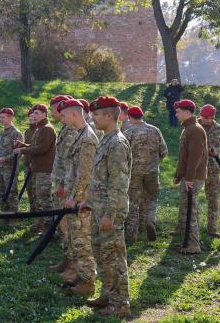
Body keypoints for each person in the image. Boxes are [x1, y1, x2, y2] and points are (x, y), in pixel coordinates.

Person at [82, 96, 131, 318]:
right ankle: (107, 294)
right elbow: (100, 178)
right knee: (101, 255)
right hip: (99, 209)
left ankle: (120, 304)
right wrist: (89, 202)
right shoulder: (105, 139)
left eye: (97, 115)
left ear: (109, 116)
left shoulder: (117, 143)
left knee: (113, 257)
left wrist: (110, 214)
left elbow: (118, 184)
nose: (93, 118)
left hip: (110, 212)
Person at [57, 99, 98, 297]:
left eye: (63, 115)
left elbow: (85, 173)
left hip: (82, 200)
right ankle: (81, 276)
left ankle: (88, 282)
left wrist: (75, 197)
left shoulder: (87, 138)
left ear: (74, 114)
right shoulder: (81, 135)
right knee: (76, 240)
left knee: (83, 242)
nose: (62, 119)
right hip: (75, 198)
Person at [124, 106, 167, 243]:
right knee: (152, 198)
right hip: (152, 172)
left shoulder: (128, 132)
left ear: (130, 117)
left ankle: (131, 235)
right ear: (142, 116)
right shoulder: (155, 130)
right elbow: (164, 151)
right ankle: (149, 220)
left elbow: (122, 154)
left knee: (133, 202)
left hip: (134, 172)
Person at [172, 99, 207, 255]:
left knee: (190, 210)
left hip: (193, 177)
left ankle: (193, 244)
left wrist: (190, 179)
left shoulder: (196, 130)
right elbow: (183, 157)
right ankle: (183, 234)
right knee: (186, 206)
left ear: (187, 112)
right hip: (187, 176)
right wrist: (179, 175)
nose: (176, 114)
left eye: (178, 111)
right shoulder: (188, 128)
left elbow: (195, 157)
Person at [14, 104, 56, 233]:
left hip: (44, 170)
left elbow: (41, 148)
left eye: (37, 113)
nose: (35, 115)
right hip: (37, 169)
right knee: (38, 200)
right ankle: (41, 226)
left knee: (44, 200)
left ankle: (50, 230)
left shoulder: (47, 129)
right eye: (34, 113)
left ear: (45, 114)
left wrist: (23, 149)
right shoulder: (39, 128)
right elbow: (35, 146)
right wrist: (25, 145)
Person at [197, 104, 220, 238]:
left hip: (213, 169)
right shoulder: (193, 126)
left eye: (211, 118)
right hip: (195, 168)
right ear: (200, 115)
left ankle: (212, 228)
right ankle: (183, 227)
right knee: (188, 198)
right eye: (206, 117)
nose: (208, 120)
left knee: (213, 198)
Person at [50, 95, 75, 274]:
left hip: (67, 186)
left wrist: (62, 185)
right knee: (64, 227)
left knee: (69, 227)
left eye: (53, 108)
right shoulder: (65, 128)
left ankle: (73, 264)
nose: (53, 112)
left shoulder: (72, 130)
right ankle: (67, 260)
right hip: (62, 182)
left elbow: (69, 161)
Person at [0, 108, 23, 218]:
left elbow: (18, 153)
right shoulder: (2, 132)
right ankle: (4, 215)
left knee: (11, 192)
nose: (1, 119)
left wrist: (5, 159)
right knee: (0, 192)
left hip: (10, 169)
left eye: (3, 117)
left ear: (11, 118)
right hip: (0, 168)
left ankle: (14, 217)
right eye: (0, 117)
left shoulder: (16, 133)